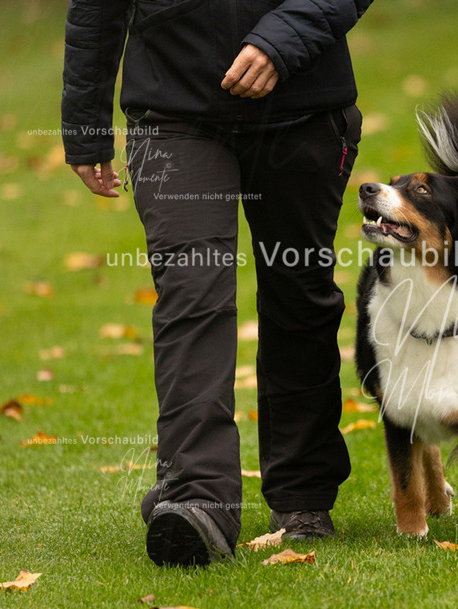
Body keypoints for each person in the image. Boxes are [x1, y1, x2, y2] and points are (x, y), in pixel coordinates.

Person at [62, 0, 374, 567]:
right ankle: (198, 501)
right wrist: (84, 124)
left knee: (298, 293)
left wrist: (282, 40)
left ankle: (303, 496)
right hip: (172, 111)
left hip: (304, 107)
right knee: (192, 292)